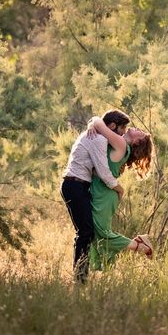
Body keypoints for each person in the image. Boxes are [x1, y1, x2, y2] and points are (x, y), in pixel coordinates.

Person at [60, 110, 129, 283]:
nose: (122, 134)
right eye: (121, 129)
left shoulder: (95, 133)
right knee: (85, 232)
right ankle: (80, 279)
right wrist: (119, 189)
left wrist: (95, 122)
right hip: (74, 185)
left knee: (86, 232)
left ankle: (81, 277)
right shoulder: (98, 139)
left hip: (78, 186)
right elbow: (104, 172)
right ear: (112, 126)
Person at [86, 115, 154, 271]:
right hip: (102, 192)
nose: (137, 128)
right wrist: (92, 125)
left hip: (104, 195)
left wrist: (92, 124)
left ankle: (140, 246)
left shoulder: (121, 143)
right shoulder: (119, 143)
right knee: (96, 234)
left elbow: (98, 122)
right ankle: (105, 270)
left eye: (140, 132)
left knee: (101, 232)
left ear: (136, 141)